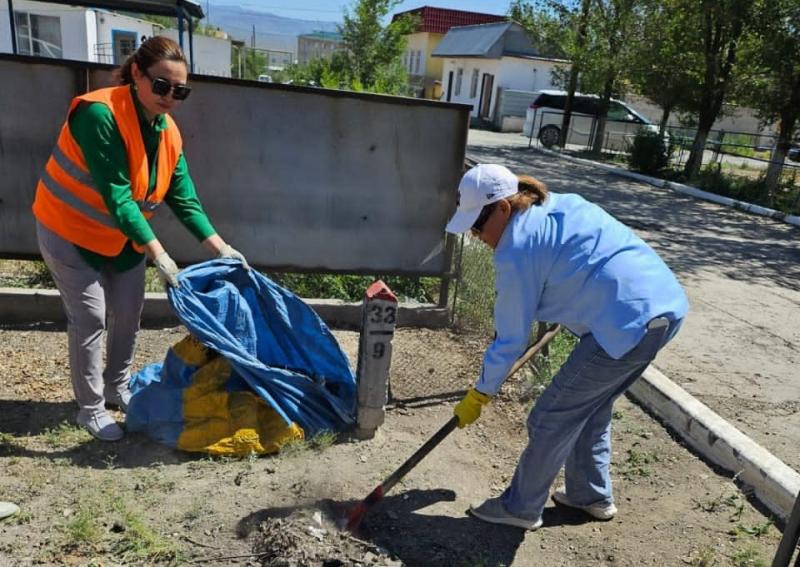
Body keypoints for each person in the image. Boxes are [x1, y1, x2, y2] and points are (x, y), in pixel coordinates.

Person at [448, 164, 688, 530]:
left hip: (625, 323)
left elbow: (510, 338)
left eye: (478, 226)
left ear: (503, 208)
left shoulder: (516, 248)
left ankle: (520, 507)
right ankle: (590, 494)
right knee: (589, 408)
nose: (477, 236)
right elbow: (582, 262)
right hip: (662, 310)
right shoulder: (555, 205)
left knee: (550, 417)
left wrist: (481, 393)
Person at [32, 37, 248, 442]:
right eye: (162, 85)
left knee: (129, 312)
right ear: (136, 73)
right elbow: (118, 197)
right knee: (91, 318)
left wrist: (221, 248)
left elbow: (183, 197)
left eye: (180, 91)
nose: (170, 97)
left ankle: (118, 386)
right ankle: (91, 408)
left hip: (122, 240)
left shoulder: (168, 133)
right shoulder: (100, 115)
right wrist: (161, 255)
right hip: (70, 230)